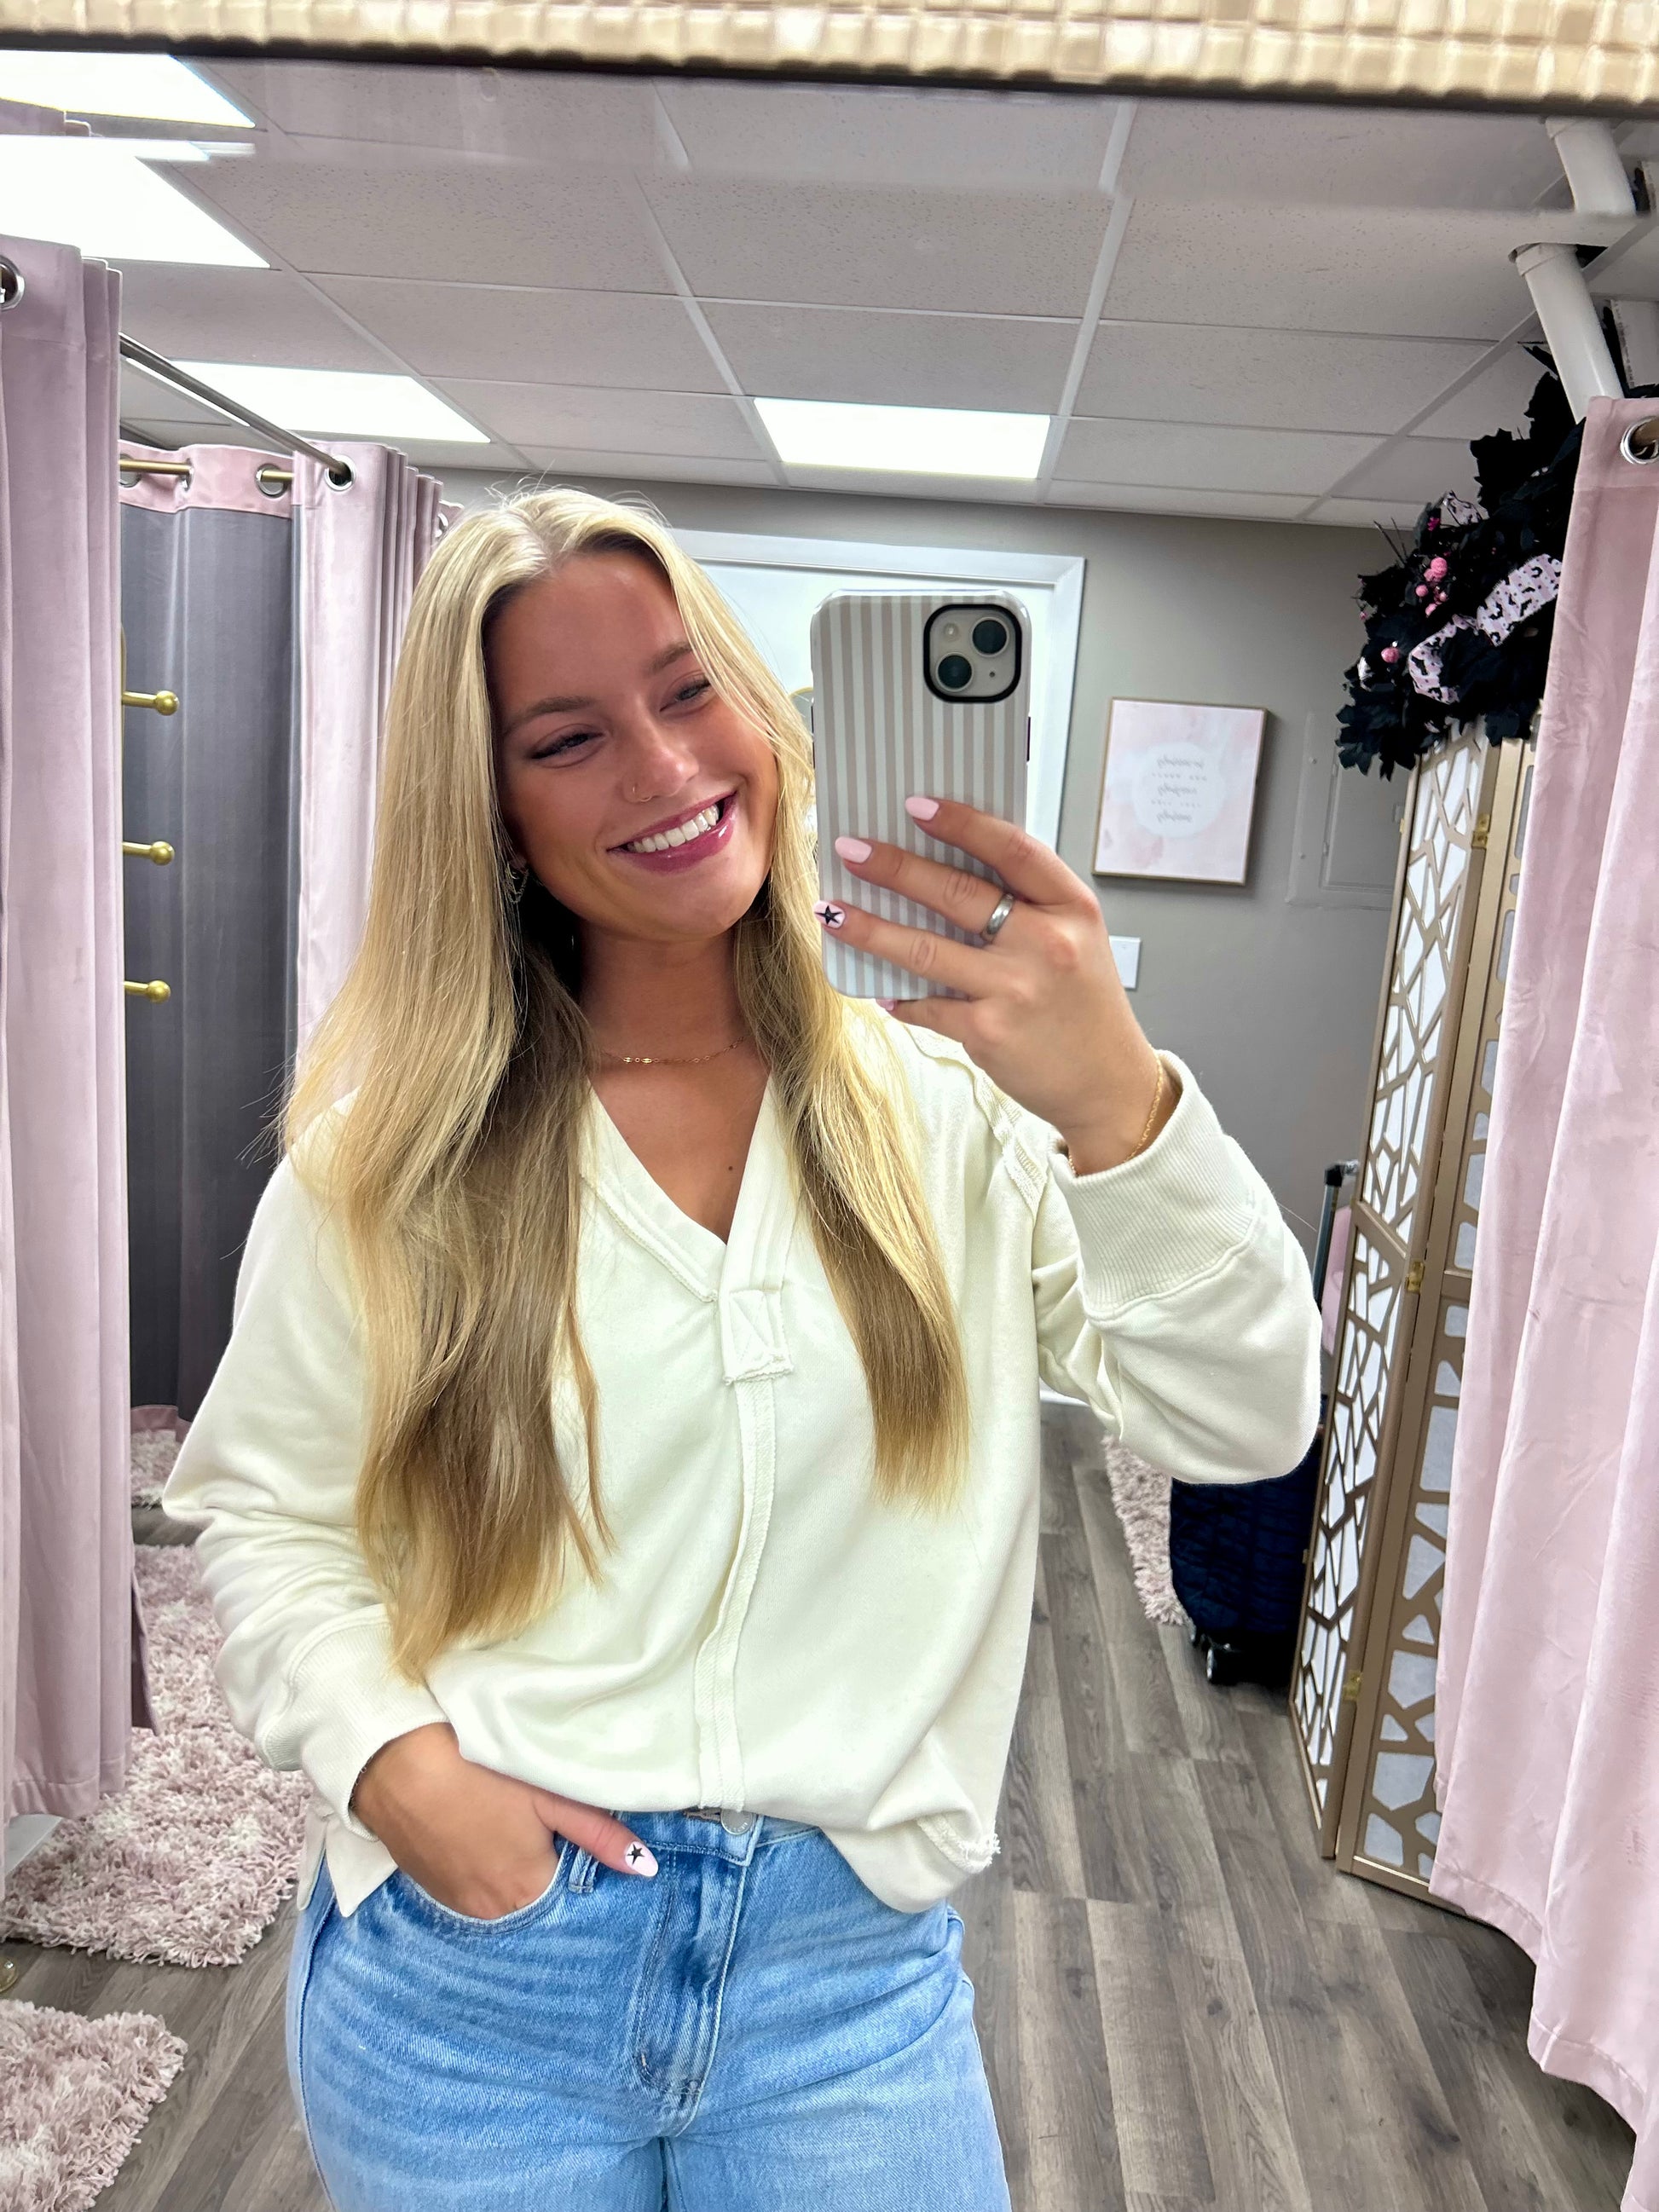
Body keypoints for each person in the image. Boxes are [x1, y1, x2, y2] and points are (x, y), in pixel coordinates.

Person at [163, 488, 1321, 2212]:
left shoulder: (953, 1110)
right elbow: (265, 1512)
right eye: (567, 738)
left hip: (841, 1988)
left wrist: (1121, 1107)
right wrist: (397, 1771)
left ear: (762, 709)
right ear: (489, 807)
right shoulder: (391, 1158)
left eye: (688, 688)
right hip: (477, 1992)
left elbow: (1244, 1420)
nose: (661, 766)